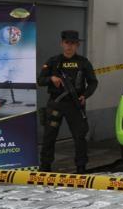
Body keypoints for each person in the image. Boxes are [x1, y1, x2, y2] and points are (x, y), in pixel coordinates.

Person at [38, 30, 97, 173]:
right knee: (49, 136)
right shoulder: (53, 61)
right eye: (67, 43)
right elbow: (40, 80)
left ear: (77, 45)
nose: (69, 46)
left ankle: (81, 167)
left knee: (79, 137)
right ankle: (45, 166)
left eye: (73, 43)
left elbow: (93, 82)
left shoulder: (83, 62)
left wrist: (85, 95)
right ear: (62, 44)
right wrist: (51, 78)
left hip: (74, 104)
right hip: (56, 103)